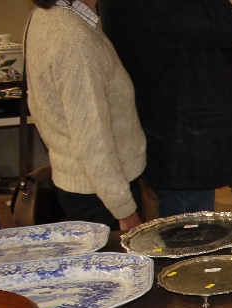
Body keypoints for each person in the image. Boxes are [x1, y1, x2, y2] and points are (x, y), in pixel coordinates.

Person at [99, 0, 232, 218]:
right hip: (181, 141)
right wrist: (231, 33)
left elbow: (219, 30)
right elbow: (228, 26)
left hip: (179, 135)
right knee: (189, 238)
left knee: (192, 228)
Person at [24, 0, 145, 230]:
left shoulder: (44, 17)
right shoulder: (74, 39)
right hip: (102, 196)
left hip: (85, 185)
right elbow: (93, 141)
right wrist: (124, 210)